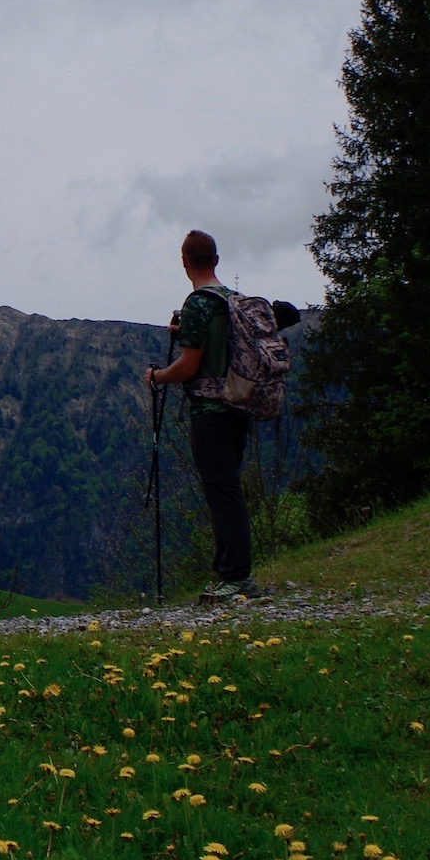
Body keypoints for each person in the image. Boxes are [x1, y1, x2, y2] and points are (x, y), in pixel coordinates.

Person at [145, 229, 261, 603]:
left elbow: (190, 367)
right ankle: (228, 572)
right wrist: (185, 335)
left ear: (184, 262)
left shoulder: (198, 303)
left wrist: (158, 377)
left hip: (210, 411)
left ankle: (236, 578)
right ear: (216, 259)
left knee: (222, 491)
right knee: (228, 487)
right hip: (239, 405)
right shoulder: (233, 300)